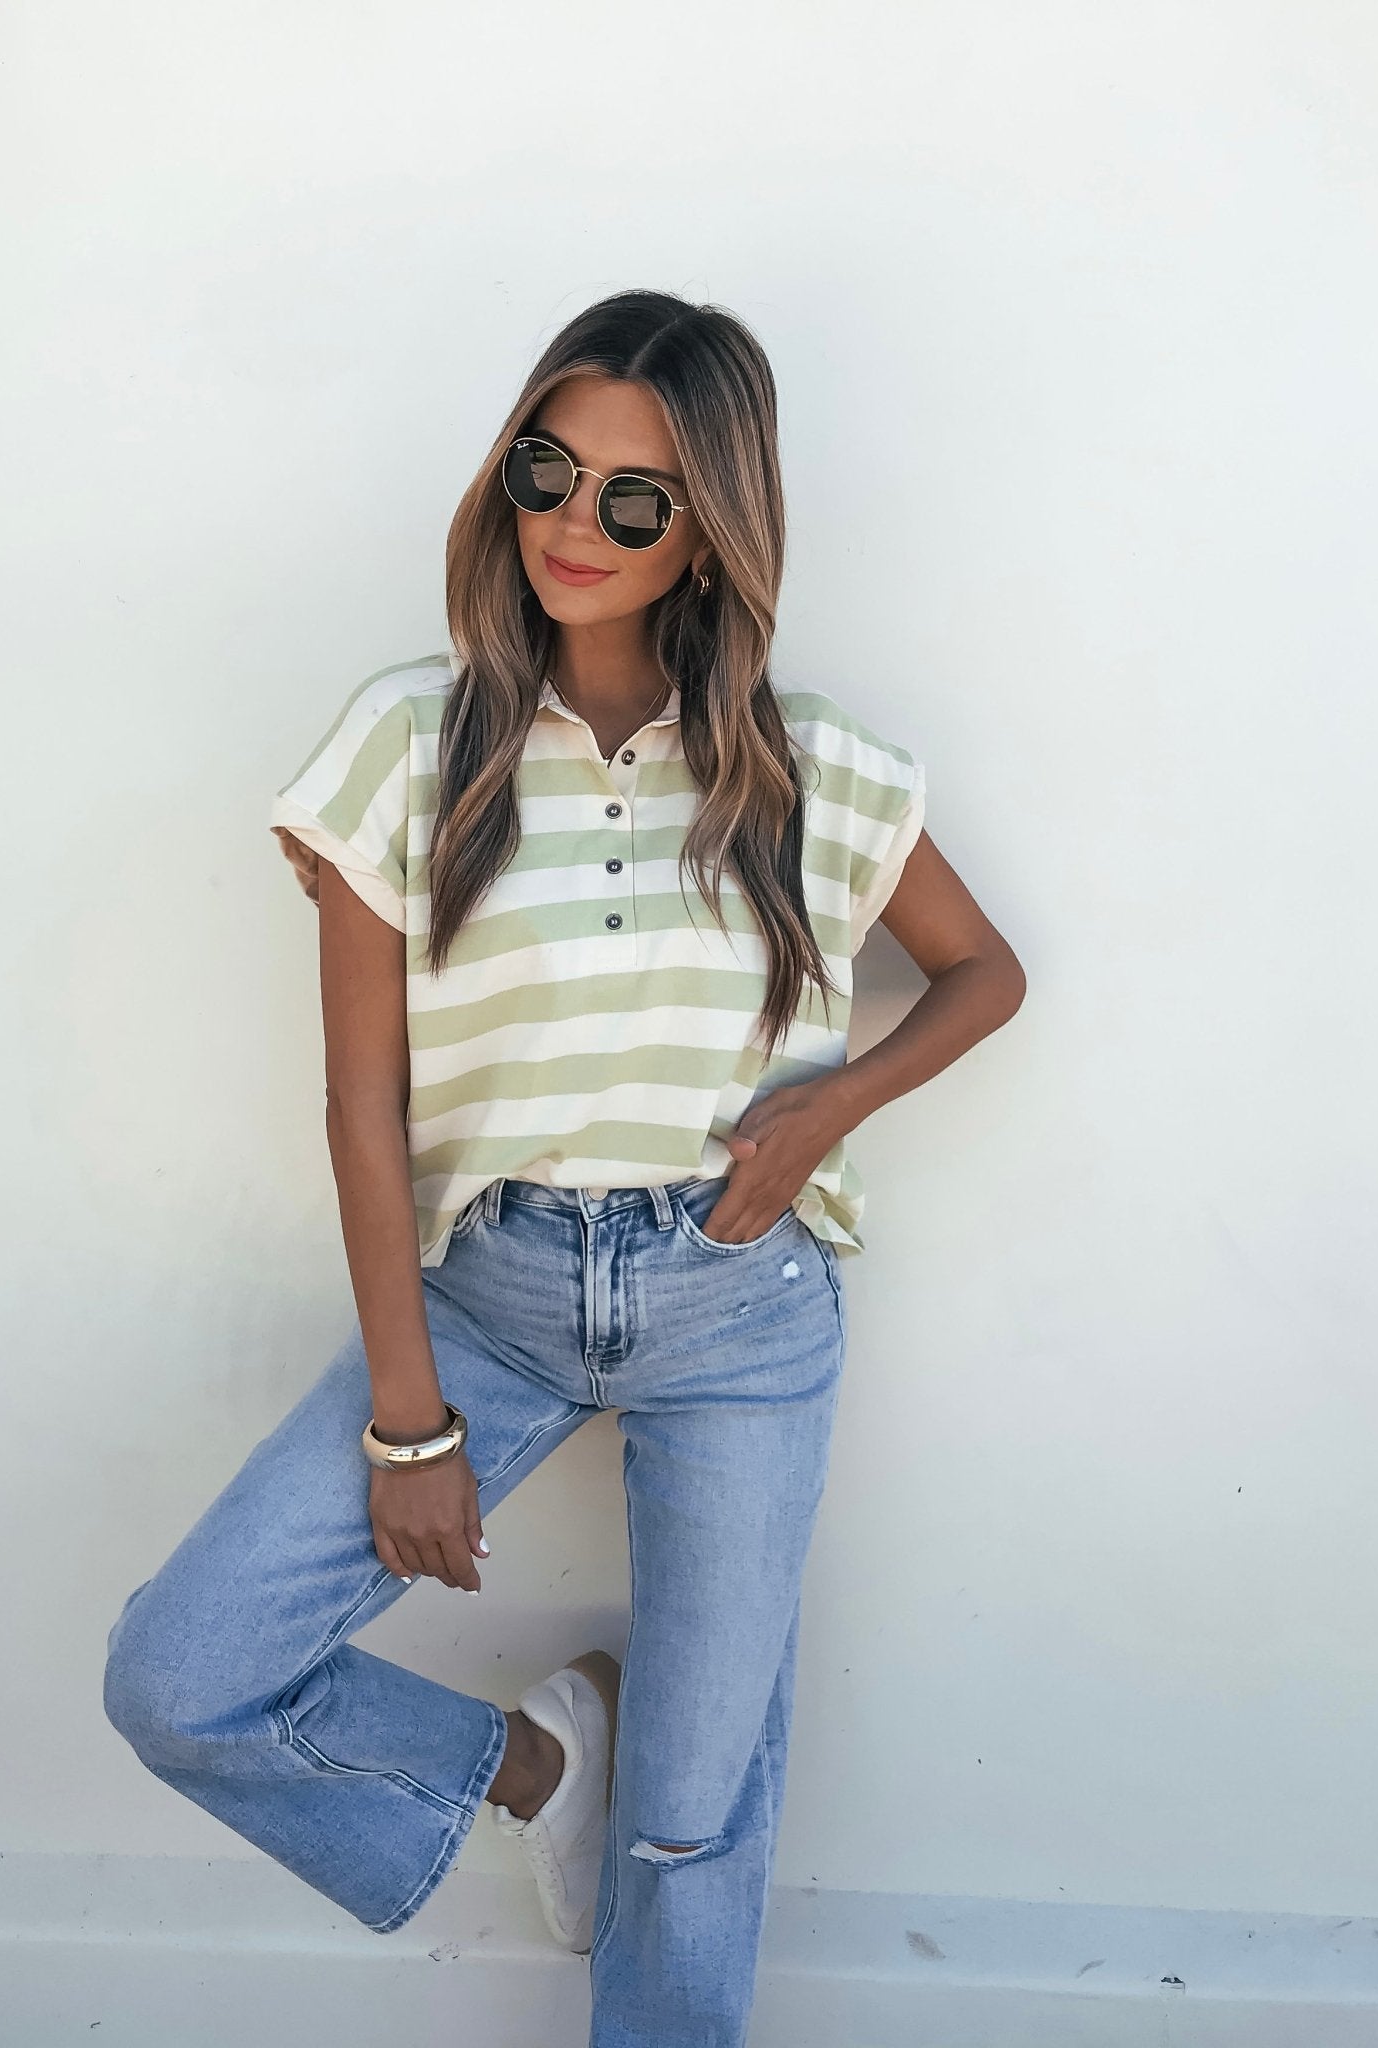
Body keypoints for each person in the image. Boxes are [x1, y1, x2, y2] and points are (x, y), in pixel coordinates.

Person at [102, 287, 1026, 2046]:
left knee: (693, 1821)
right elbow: (358, 1108)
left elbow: (987, 975)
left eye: (635, 497)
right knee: (185, 1673)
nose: (574, 525)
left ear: (712, 535)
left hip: (740, 1307)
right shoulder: (407, 743)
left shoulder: (812, 766)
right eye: (548, 467)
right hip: (490, 1299)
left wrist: (835, 1107)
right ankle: (542, 1767)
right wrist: (406, 1418)